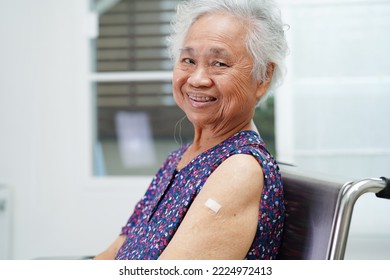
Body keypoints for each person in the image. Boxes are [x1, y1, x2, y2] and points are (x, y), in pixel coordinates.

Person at [94, 0, 288, 260]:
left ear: (262, 77)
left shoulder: (239, 169)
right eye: (188, 60)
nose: (197, 79)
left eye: (219, 64)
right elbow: (117, 251)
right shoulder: (179, 159)